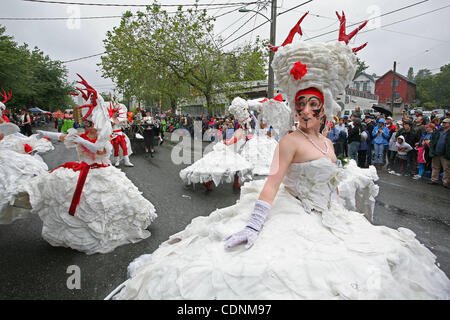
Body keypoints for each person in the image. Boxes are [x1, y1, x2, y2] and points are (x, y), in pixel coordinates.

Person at [112, 14, 450, 299]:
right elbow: (273, 182)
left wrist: (339, 199)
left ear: (324, 110)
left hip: (327, 219)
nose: (304, 110)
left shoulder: (329, 144)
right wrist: (256, 224)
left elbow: (328, 183)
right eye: (300, 104)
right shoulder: (289, 140)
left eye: (312, 105)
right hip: (291, 212)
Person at [25, 74, 157, 254]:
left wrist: (81, 140)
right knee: (75, 200)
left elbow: (98, 151)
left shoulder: (103, 139)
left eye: (91, 123)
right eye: (87, 123)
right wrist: (44, 134)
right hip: (82, 171)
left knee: (106, 203)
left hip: (102, 172)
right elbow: (64, 137)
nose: (88, 126)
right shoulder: (83, 135)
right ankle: (74, 233)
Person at [428, 118, 450, 188]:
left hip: (445, 153)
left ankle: (446, 182)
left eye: (445, 123)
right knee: (435, 167)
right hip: (436, 152)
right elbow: (433, 140)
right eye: (443, 122)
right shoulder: (439, 131)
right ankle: (434, 180)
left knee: (446, 168)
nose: (443, 124)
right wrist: (432, 150)